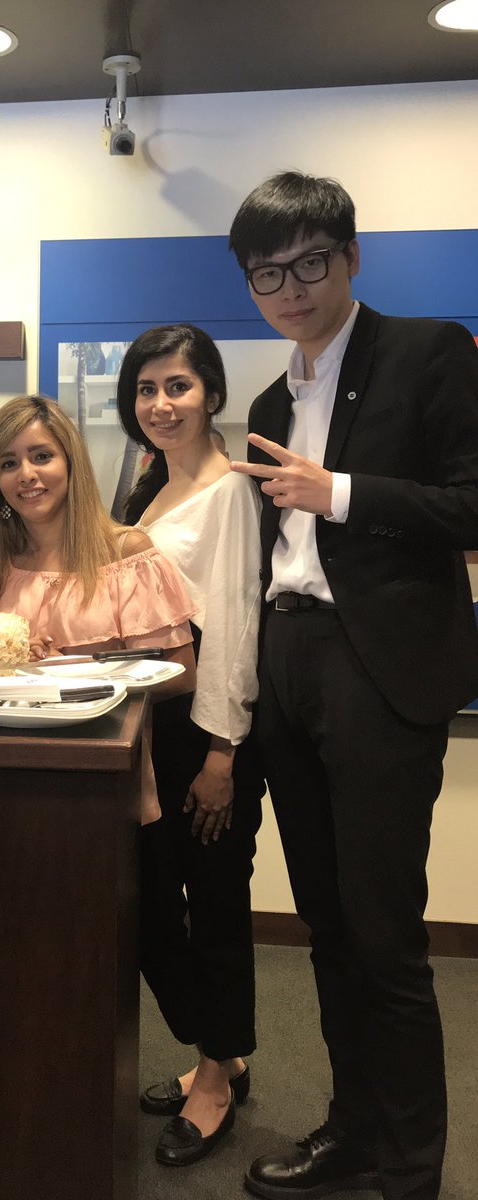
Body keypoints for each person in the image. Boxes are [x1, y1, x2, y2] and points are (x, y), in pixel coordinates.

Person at [227, 171, 478, 1200]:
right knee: (327, 928)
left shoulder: (429, 352)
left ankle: (411, 1167)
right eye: (267, 274)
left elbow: (472, 504)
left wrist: (335, 492)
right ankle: (353, 1129)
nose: (291, 289)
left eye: (310, 264)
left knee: (385, 936)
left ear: (351, 257)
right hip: (289, 662)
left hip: (377, 668)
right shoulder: (267, 403)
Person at [116, 325, 264, 1168]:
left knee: (213, 908)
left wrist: (222, 754)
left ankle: (215, 1078)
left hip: (206, 729)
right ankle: (223, 1050)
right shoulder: (152, 487)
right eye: (146, 389)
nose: (161, 404)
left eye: (178, 386)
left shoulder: (229, 490)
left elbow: (236, 623)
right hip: (152, 723)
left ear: (211, 393)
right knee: (147, 907)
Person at [0, 394, 197, 822]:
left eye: (41, 456)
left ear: (71, 463)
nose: (26, 474)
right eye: (8, 463)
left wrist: (65, 675)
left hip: (102, 778)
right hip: (5, 777)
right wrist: (9, 661)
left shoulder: (127, 553)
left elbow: (180, 674)